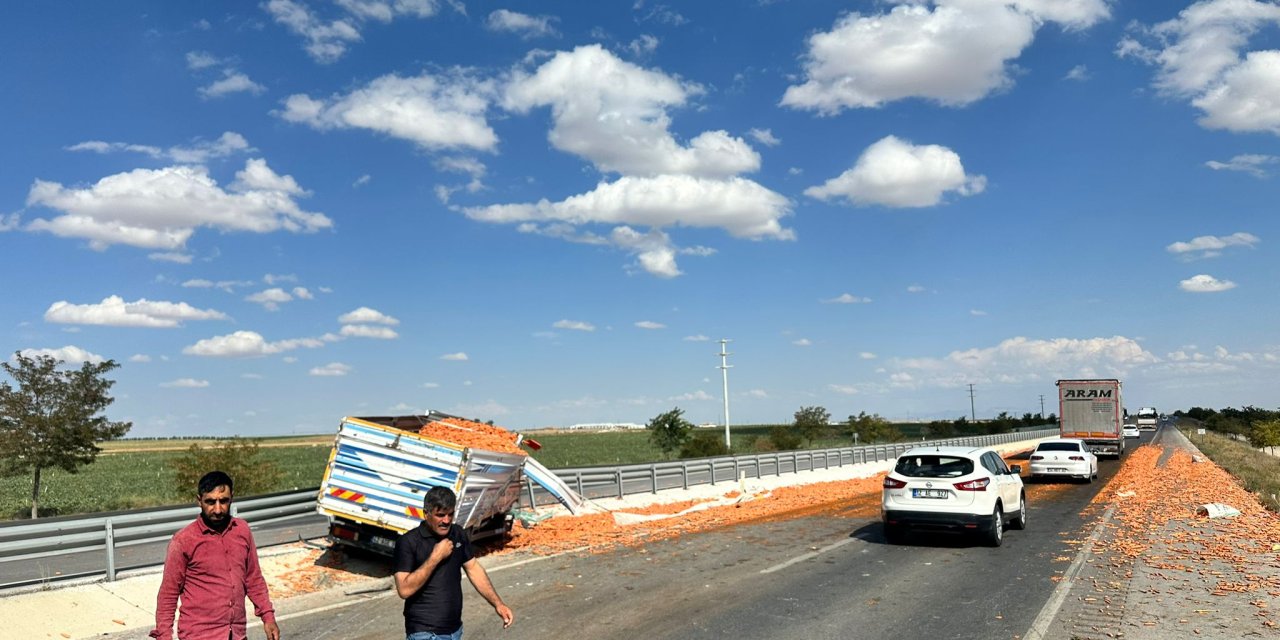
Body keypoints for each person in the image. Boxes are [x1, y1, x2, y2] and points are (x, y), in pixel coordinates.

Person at [150, 471, 281, 640]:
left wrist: (268, 617)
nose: (218, 509)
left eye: (223, 501)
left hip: (237, 635)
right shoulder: (183, 540)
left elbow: (253, 579)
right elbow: (169, 593)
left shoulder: (242, 530)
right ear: (199, 501)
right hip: (198, 635)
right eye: (210, 502)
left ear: (232, 498)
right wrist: (164, 636)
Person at [394, 486, 514, 640]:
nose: (446, 520)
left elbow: (473, 569)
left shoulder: (458, 534)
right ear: (426, 514)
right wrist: (435, 557)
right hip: (425, 632)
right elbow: (404, 590)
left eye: (450, 514)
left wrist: (498, 604)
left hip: (454, 631)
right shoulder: (409, 542)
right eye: (440, 515)